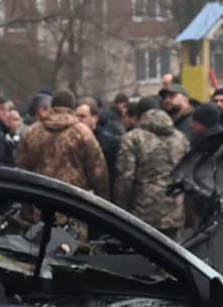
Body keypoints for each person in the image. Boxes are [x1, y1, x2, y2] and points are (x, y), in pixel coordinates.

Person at [113, 100, 190, 237]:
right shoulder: (181, 138)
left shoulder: (132, 138)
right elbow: (188, 175)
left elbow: (125, 178)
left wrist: (120, 210)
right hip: (175, 212)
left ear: (137, 116)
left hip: (142, 213)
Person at [15, 91, 110, 197]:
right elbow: (98, 172)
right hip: (73, 204)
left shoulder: (32, 131)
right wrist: (102, 199)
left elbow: (21, 168)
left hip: (39, 201)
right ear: (72, 108)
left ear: (52, 106)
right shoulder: (83, 133)